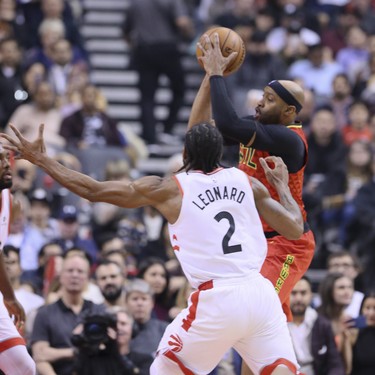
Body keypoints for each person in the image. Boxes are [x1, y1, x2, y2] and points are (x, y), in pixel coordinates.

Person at [1, 121, 306, 375]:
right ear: (221, 153)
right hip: (260, 293)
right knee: (279, 368)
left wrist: (43, 160)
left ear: (185, 152)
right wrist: (281, 185)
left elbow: (93, 190)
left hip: (219, 297)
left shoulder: (170, 189)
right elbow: (294, 227)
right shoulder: (247, 183)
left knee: (162, 369)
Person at [193, 32, 315, 320]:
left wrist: (217, 74)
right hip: (253, 241)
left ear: (288, 112)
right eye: (262, 96)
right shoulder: (255, 127)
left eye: (269, 100)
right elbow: (198, 131)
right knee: (263, 330)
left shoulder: (289, 140)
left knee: (255, 318)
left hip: (286, 242)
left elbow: (227, 121)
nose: (260, 103)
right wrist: (207, 79)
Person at [0, 143, 36, 374]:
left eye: (8, 158)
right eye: (0, 159)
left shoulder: (10, 202)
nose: (7, 164)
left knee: (24, 367)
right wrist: (10, 296)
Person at [289, 276, 345, 375]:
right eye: (293, 293)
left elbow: (335, 363)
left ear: (311, 295)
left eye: (303, 293)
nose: (298, 298)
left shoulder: (322, 324)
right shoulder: (276, 323)